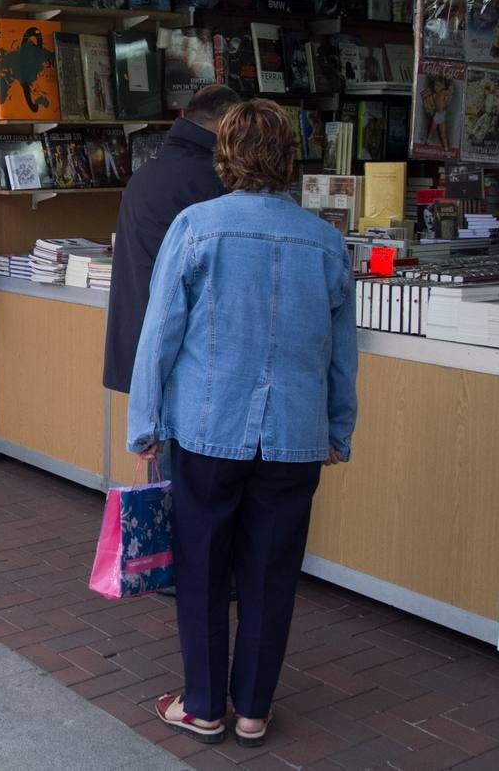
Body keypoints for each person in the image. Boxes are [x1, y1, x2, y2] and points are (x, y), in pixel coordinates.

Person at [129, 99, 357, 748]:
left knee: (201, 567)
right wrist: (338, 427)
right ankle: (253, 709)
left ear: (223, 154)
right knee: (270, 570)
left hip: (205, 425)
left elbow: (160, 334)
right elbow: (341, 352)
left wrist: (144, 419)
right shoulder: (324, 241)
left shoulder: (196, 227)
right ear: (289, 158)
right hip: (294, 433)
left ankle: (202, 704)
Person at [103, 84, 242, 480]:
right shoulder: (211, 181)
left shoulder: (148, 175)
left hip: (151, 350)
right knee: (192, 495)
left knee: (167, 487)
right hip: (192, 355)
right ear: (225, 123)